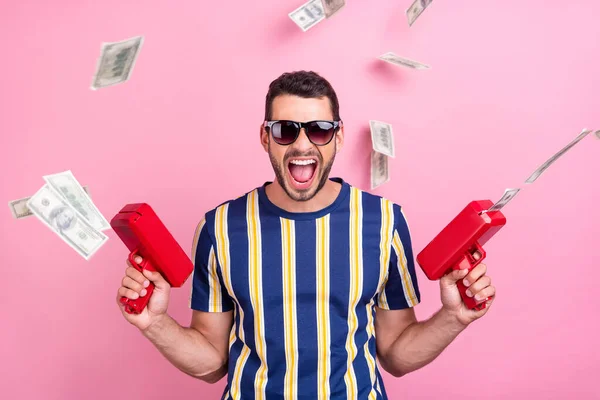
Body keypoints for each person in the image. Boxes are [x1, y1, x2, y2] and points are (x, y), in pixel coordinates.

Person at [116, 71, 496, 399]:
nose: (302, 144)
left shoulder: (384, 222)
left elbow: (396, 354)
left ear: (338, 136)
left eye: (319, 129)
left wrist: (454, 317)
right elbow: (212, 361)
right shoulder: (219, 227)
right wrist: (155, 323)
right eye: (285, 130)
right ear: (265, 138)